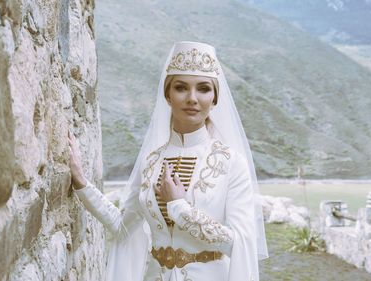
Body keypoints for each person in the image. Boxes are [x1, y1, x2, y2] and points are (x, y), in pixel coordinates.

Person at [68, 41, 268, 281]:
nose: (192, 98)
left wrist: (180, 207)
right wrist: (81, 183)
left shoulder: (230, 163)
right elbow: (122, 226)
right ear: (167, 95)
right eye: (181, 88)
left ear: (215, 98)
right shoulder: (151, 161)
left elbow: (239, 243)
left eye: (204, 88)